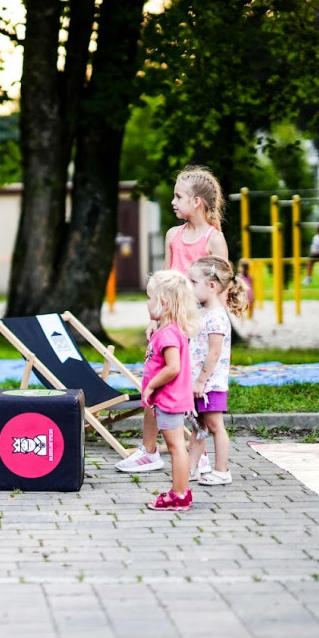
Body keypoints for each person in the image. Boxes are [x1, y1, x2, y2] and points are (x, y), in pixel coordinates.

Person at [121, 166, 229, 474]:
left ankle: (200, 452)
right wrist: (154, 321)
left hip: (197, 330)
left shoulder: (214, 240)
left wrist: (211, 333)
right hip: (171, 328)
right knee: (154, 384)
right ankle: (149, 450)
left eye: (178, 196)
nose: (173, 201)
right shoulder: (173, 235)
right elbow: (164, 282)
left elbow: (219, 291)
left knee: (193, 393)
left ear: (196, 201)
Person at [137, 270, 200, 511]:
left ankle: (179, 494)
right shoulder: (170, 331)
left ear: (163, 302)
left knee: (175, 448)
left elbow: (173, 368)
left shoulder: (168, 335)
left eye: (150, 298)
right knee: (176, 447)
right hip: (169, 400)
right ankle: (181, 490)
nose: (147, 303)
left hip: (169, 400)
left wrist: (152, 385)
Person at [186, 256, 250, 486]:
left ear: (212, 286)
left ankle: (222, 471)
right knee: (198, 427)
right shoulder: (202, 313)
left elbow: (213, 354)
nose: (188, 286)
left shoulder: (216, 317)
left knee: (215, 426)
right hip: (199, 384)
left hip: (209, 385)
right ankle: (190, 469)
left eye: (193, 282)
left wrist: (200, 381)